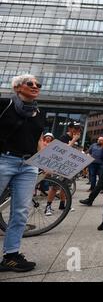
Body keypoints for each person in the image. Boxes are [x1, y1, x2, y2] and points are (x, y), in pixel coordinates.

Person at [0, 74, 45, 272]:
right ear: (18, 88)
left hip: (28, 165)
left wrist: (44, 161)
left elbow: (39, 140)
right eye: (30, 84)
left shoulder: (38, 112)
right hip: (4, 160)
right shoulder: (5, 104)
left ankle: (11, 256)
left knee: (20, 212)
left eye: (38, 84)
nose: (35, 86)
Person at [44, 121, 81, 215]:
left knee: (65, 187)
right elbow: (64, 150)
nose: (77, 131)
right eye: (75, 128)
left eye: (78, 129)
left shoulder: (77, 138)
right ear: (70, 128)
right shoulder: (63, 137)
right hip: (59, 165)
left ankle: (62, 205)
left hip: (70, 166)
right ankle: (48, 206)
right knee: (54, 187)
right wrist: (74, 140)